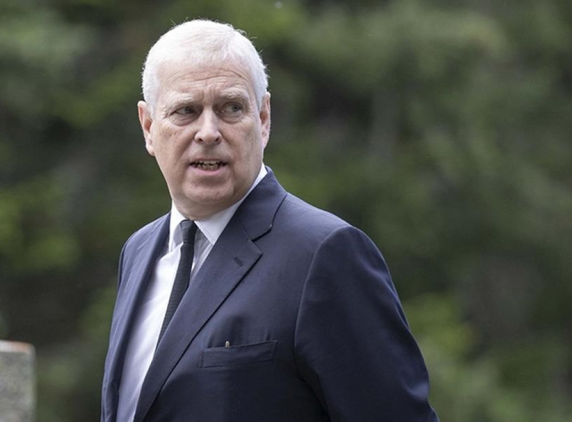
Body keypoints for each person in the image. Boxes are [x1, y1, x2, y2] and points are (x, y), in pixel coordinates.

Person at [100, 19, 439, 422]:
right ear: (149, 127)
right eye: (186, 111)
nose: (208, 132)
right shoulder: (139, 251)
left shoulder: (324, 254)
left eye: (231, 108)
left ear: (263, 118)